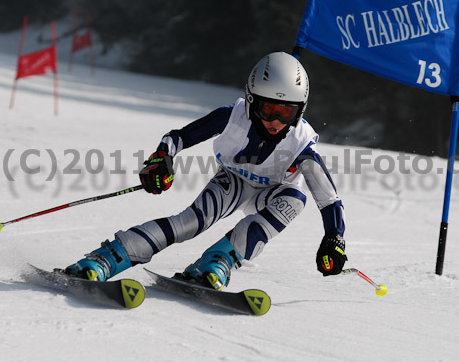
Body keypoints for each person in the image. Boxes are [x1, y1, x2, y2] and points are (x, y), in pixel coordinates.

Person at [63, 52, 347, 290]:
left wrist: (334, 239)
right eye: (268, 108)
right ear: (251, 100)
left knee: (295, 201)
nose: (275, 120)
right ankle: (109, 257)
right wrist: (161, 159)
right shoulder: (232, 117)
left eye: (286, 113)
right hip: (235, 181)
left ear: (300, 111)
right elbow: (177, 137)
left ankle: (219, 259)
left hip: (275, 192)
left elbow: (329, 199)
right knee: (191, 222)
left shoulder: (302, 145)